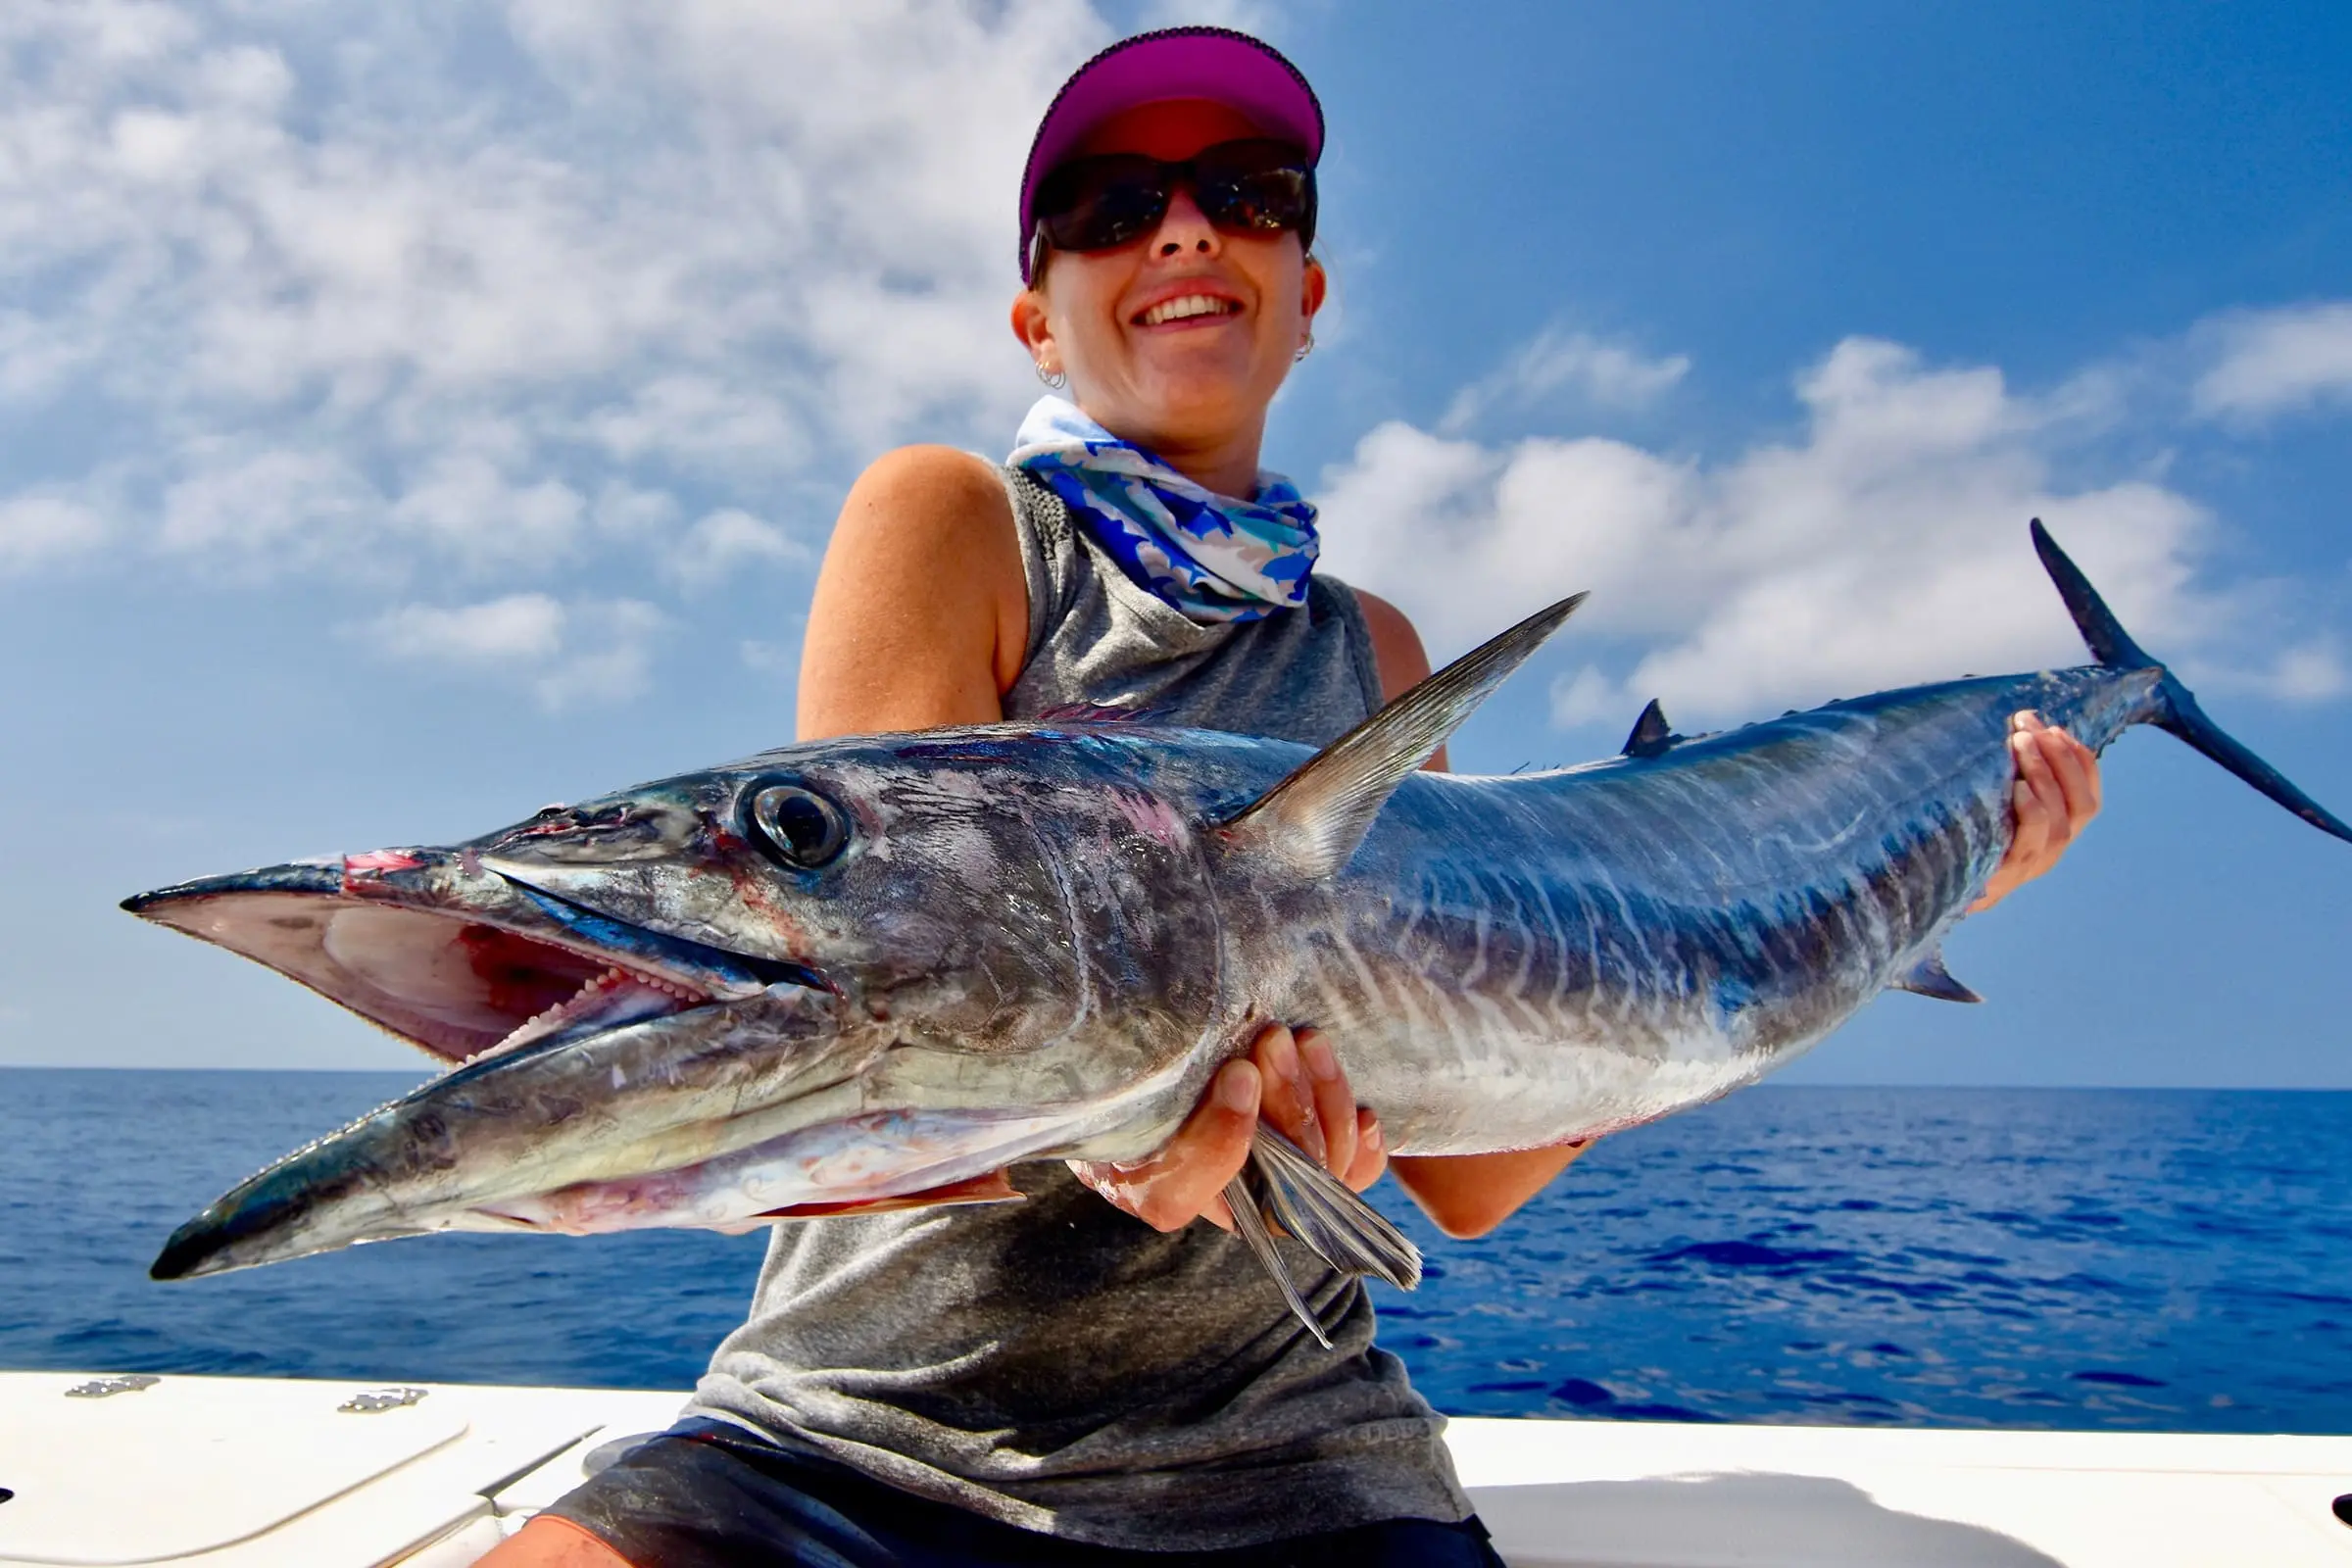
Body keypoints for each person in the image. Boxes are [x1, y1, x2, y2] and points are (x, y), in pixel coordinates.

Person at [487, 26, 2102, 1567]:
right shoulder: (958, 520)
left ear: (1306, 293)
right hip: (856, 1437)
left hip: (1293, 1467)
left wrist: (1865, 917)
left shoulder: (1374, 649)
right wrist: (1136, 1134)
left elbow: (1471, 1173)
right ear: (1037, 318)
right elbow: (887, 995)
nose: (1184, 232)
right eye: (1114, 211)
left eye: (1247, 196)